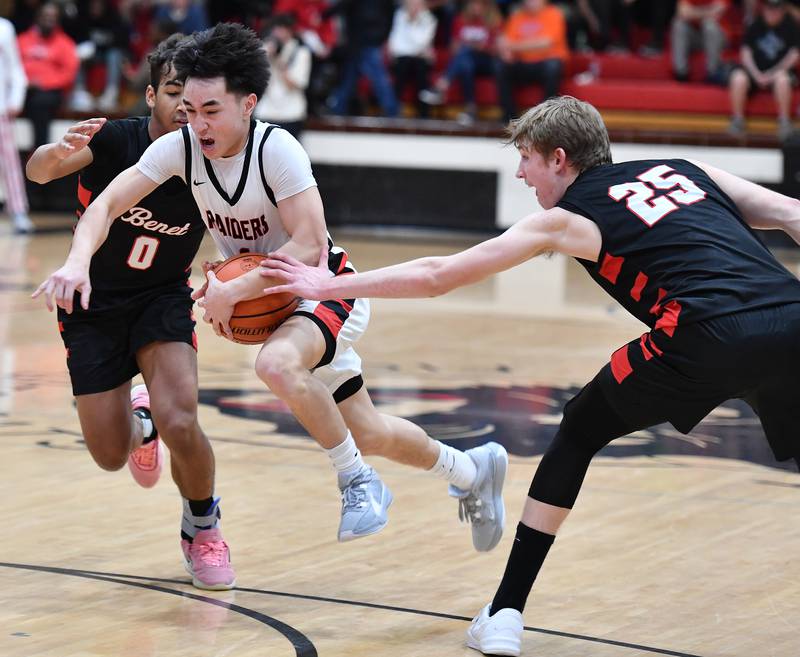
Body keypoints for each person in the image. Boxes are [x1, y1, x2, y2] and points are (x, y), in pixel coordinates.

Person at [258, 95, 800, 656]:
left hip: (702, 331)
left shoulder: (568, 218)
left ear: (560, 159)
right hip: (792, 316)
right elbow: (791, 213)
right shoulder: (684, 170)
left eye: (527, 159)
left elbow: (438, 274)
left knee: (581, 429)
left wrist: (325, 287)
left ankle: (505, 613)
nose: (521, 173)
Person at [36, 22, 508, 552]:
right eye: (189, 110)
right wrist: (77, 261)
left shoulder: (277, 149)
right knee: (369, 430)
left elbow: (308, 246)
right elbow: (104, 204)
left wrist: (234, 292)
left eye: (211, 110)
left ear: (248, 104)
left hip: (324, 290)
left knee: (274, 366)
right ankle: (472, 470)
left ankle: (357, 483)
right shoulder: (182, 148)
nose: (197, 124)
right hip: (273, 300)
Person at [28, 34, 237, 592]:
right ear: (151, 96)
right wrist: (55, 151)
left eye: (195, 98)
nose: (184, 108)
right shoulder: (117, 139)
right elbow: (39, 172)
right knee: (108, 454)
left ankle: (203, 526)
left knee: (183, 419)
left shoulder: (214, 158)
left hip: (162, 297)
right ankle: (138, 422)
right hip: (90, 303)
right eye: (173, 93)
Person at [418, 0, 502, 124]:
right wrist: (471, 45)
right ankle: (471, 111)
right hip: (468, 61)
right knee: (465, 64)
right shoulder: (460, 20)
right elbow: (453, 48)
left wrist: (478, 47)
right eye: (474, 3)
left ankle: (442, 85)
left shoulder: (494, 21)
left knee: (465, 52)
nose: (477, 6)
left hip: (487, 62)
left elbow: (497, 49)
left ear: (488, 6)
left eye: (481, 4)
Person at [728, 0, 799, 141]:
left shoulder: (791, 27)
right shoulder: (755, 25)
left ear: (783, 10)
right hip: (756, 71)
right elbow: (745, 53)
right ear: (764, 9)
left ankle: (784, 121)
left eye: (776, 9)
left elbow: (794, 56)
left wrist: (772, 74)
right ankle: (737, 120)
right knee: (737, 77)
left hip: (779, 72)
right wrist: (756, 74)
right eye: (769, 8)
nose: (772, 12)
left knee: (783, 79)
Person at [494, 0, 569, 123]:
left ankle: (545, 118)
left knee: (553, 67)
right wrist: (505, 52)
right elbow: (505, 42)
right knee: (500, 66)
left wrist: (512, 47)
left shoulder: (554, 14)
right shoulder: (517, 16)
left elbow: (545, 43)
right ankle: (509, 118)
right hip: (523, 64)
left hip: (545, 63)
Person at [17, 3, 79, 147]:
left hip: (49, 92)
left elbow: (68, 75)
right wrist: (25, 82)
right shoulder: (22, 39)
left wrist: (42, 83)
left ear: (58, 21)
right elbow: (12, 66)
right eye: (45, 16)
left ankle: (39, 148)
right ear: (37, 18)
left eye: (53, 17)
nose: (48, 20)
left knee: (40, 103)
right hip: (22, 88)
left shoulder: (65, 43)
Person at [254, 13, 312, 140]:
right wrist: (265, 56)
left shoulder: (300, 52)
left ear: (290, 31)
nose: (278, 33)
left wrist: (280, 62)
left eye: (282, 29)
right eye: (276, 29)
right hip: (266, 112)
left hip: (290, 114)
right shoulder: (265, 48)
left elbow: (295, 84)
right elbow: (253, 80)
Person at [0, 15, 33, 233]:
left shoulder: (4, 28)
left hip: (0, 108)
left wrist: (15, 100)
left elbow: (16, 69)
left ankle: (18, 212)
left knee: (10, 164)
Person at [387, 0, 438, 118]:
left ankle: (424, 114)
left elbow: (423, 42)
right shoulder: (398, 15)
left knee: (421, 69)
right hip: (403, 57)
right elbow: (395, 42)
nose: (414, 7)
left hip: (419, 59)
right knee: (402, 65)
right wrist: (411, 50)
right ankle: (394, 111)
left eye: (417, 4)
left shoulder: (429, 19)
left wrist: (413, 22)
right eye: (411, 3)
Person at [670, 0, 727, 83]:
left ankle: (713, 72)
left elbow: (719, 11)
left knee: (709, 25)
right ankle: (681, 73)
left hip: (719, 37)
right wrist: (708, 11)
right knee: (678, 24)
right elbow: (683, 13)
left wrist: (693, 12)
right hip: (697, 37)